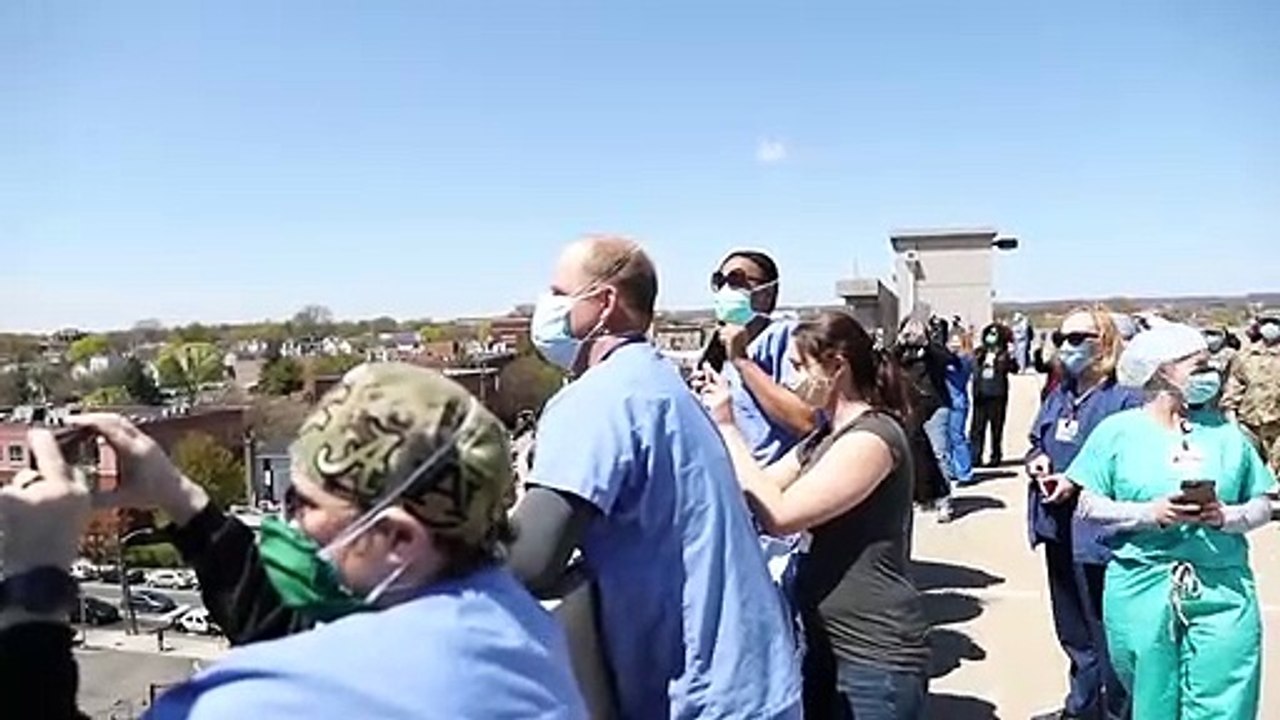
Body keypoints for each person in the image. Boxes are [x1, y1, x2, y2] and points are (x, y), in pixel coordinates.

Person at [0, 364, 586, 719]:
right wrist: (177, 496)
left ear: (399, 540)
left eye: (302, 504)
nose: (286, 522)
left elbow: (307, 676)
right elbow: (294, 637)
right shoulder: (513, 626)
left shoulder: (265, 703)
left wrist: (34, 582)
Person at [507, 235, 802, 719]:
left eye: (559, 293)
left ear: (604, 303)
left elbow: (529, 560)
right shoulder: (656, 382)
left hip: (702, 698)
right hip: (752, 683)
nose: (547, 307)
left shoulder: (599, 399)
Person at [702, 311, 931, 720]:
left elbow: (780, 513)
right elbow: (760, 484)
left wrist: (728, 427)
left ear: (837, 366)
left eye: (798, 367)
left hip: (872, 656)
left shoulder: (872, 438)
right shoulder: (825, 438)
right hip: (828, 644)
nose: (790, 380)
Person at [1067, 323, 1276, 720]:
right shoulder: (1117, 433)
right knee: (1153, 697)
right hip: (1141, 585)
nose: (1210, 373)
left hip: (1223, 585)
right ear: (1163, 370)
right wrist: (1150, 514)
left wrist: (1226, 517)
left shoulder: (1228, 436)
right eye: (1197, 365)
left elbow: (1263, 502)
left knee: (1226, 696)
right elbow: (1088, 505)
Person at [1025, 308, 1141, 720]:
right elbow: (1038, 438)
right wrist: (1036, 459)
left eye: (1079, 338)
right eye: (1062, 338)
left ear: (1105, 341)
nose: (1067, 347)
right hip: (1057, 527)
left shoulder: (1126, 398)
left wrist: (1077, 480)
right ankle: (1081, 708)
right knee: (1074, 633)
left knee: (1108, 637)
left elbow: (1133, 465)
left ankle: (1116, 712)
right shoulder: (1062, 392)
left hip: (1099, 536)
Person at [698, 249, 819, 581]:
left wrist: (743, 361)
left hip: (775, 502)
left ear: (766, 292)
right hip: (734, 504)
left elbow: (806, 421)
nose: (726, 289)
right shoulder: (718, 346)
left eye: (737, 280)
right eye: (719, 281)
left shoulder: (785, 338)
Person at [895, 316, 957, 522]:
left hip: (935, 405)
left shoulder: (933, 352)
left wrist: (927, 344)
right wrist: (900, 343)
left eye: (916, 331)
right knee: (913, 454)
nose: (912, 335)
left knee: (940, 453)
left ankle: (944, 501)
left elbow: (949, 360)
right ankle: (921, 496)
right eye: (908, 331)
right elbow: (886, 362)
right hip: (910, 408)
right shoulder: (900, 353)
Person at [1221, 313, 1280, 474]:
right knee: (1248, 471)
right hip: (1249, 423)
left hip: (1277, 425)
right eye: (1266, 322)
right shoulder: (1245, 355)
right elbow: (1234, 386)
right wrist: (1232, 420)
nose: (1270, 327)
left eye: (1274, 322)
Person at [970, 322, 1018, 467]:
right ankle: (975, 456)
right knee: (977, 428)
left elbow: (1014, 368)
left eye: (994, 334)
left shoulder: (1004, 354)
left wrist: (1009, 356)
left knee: (996, 428)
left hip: (997, 394)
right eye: (989, 333)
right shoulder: (980, 352)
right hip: (980, 394)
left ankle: (995, 456)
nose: (991, 337)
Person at [945, 330, 976, 485]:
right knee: (946, 438)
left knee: (957, 437)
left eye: (957, 342)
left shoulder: (965, 359)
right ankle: (951, 470)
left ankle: (965, 472)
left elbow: (960, 367)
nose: (953, 345)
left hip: (958, 402)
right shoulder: (946, 359)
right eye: (951, 341)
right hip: (946, 402)